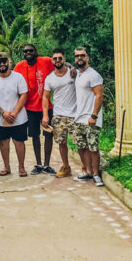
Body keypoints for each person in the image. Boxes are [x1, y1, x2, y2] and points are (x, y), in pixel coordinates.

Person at [13, 43, 55, 174]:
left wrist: (71, 68)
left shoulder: (46, 61)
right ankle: (38, 164)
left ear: (36, 51)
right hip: (29, 109)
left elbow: (61, 64)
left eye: (31, 51)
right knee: (35, 136)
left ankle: (47, 165)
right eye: (25, 52)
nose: (28, 53)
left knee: (48, 135)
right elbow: (9, 76)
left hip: (46, 107)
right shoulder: (20, 66)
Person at [0, 51, 29, 177]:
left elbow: (24, 94)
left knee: (19, 142)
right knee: (3, 142)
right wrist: (3, 113)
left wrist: (15, 112)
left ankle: (21, 168)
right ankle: (7, 167)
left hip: (19, 117)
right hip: (0, 118)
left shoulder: (18, 77)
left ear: (8, 61)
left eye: (4, 61)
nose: (1, 64)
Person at [71, 47, 104, 187]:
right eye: (77, 56)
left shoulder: (93, 75)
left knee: (93, 147)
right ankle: (88, 171)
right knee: (81, 146)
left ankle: (96, 174)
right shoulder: (78, 74)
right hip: (79, 117)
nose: (80, 58)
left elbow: (99, 95)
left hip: (90, 118)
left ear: (87, 57)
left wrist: (94, 115)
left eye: (82, 56)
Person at [42, 48, 77, 178]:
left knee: (80, 142)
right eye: (55, 58)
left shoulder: (74, 73)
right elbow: (45, 97)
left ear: (64, 59)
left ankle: (86, 168)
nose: (57, 60)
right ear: (52, 60)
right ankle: (66, 166)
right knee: (61, 142)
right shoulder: (50, 78)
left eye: (60, 58)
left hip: (75, 114)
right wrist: (45, 115)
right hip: (58, 115)